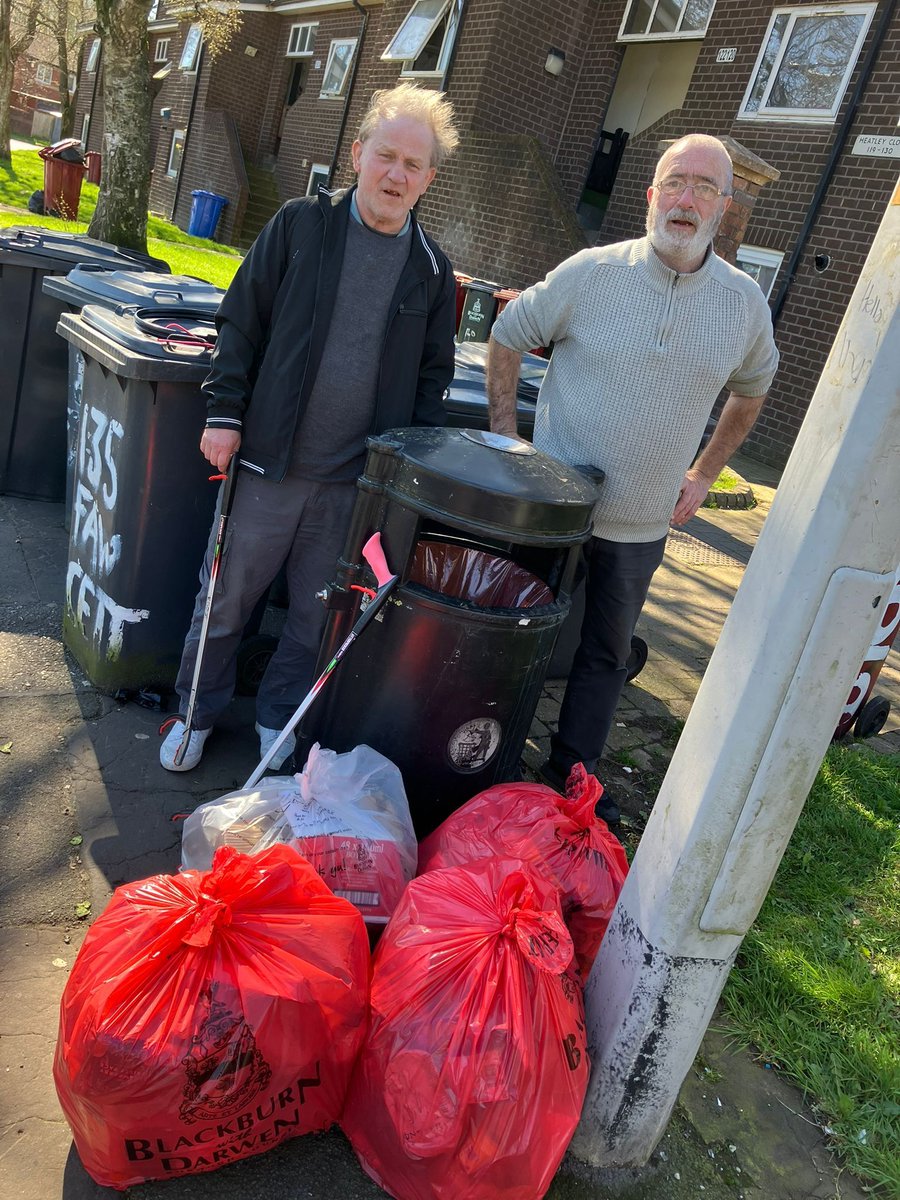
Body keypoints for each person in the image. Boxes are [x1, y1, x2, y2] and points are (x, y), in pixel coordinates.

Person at [160, 83, 459, 772]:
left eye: (413, 166)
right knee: (227, 599)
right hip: (268, 462)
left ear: (428, 179)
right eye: (386, 156)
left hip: (354, 486)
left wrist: (404, 482)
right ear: (358, 154)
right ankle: (196, 712)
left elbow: (430, 384)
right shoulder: (300, 226)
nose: (396, 175)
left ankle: (277, 718)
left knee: (315, 616)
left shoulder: (432, 271)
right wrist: (224, 412)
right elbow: (241, 321)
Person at [487, 134, 779, 822]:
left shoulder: (742, 306)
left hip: (642, 524)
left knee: (606, 655)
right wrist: (505, 434)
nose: (687, 199)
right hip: (552, 515)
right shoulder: (591, 272)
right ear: (651, 196)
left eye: (704, 187)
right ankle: (485, 753)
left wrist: (705, 473)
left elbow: (754, 388)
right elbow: (508, 331)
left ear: (724, 206)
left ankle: (570, 778)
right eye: (675, 183)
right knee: (515, 637)